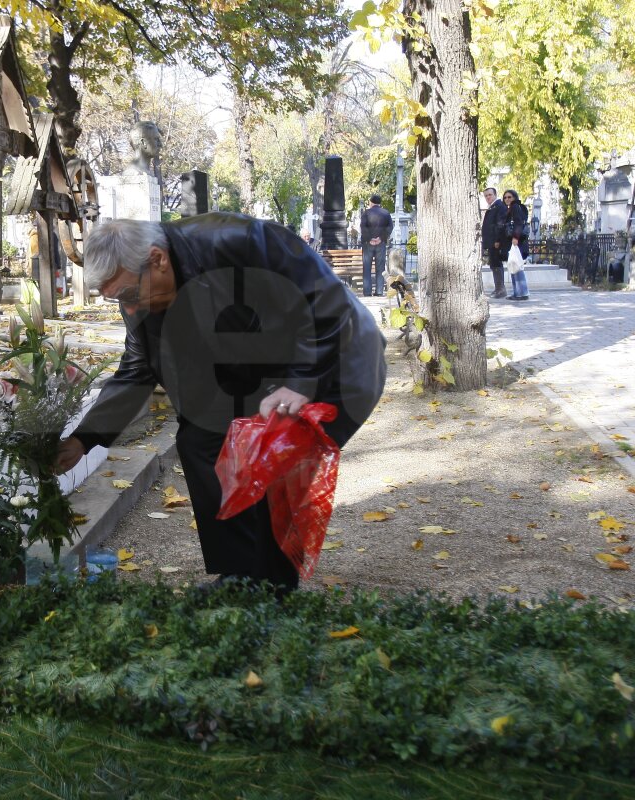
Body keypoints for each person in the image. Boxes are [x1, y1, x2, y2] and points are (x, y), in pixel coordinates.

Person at [55, 214, 387, 592]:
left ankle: (272, 589)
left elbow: (324, 300)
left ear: (157, 259)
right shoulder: (139, 294)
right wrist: (84, 439)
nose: (129, 310)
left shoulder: (241, 241)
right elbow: (138, 368)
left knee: (272, 452)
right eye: (119, 300)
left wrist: (300, 382)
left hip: (336, 358)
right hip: (262, 372)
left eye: (129, 295)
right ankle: (239, 574)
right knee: (199, 440)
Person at [359, 194, 393, 297]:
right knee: (380, 268)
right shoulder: (386, 213)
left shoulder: (366, 213)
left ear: (371, 202)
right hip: (381, 243)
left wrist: (370, 239)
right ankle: (379, 291)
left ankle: (367, 291)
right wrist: (380, 238)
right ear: (379, 203)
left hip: (367, 244)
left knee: (367, 267)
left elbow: (363, 227)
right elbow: (390, 227)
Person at [501, 189, 531, 301]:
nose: (507, 199)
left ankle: (521, 293)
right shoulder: (513, 208)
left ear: (514, 197)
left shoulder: (515, 207)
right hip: (516, 241)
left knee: (516, 266)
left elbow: (518, 223)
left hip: (517, 241)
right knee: (515, 265)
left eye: (509, 197)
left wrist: (515, 237)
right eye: (505, 197)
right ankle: (518, 292)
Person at [481, 187, 506, 298]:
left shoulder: (499, 206)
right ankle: (498, 288)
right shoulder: (493, 207)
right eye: (486, 196)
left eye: (490, 195)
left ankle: (500, 289)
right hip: (491, 241)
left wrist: (497, 240)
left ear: (495, 195)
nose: (488, 197)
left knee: (496, 264)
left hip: (496, 242)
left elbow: (500, 225)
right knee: (494, 264)